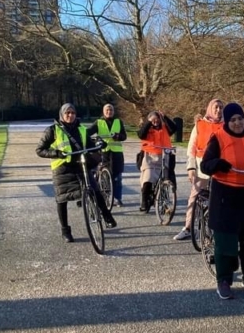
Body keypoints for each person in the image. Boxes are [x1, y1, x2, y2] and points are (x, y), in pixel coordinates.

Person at [200, 102, 244, 300]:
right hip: (226, 194)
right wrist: (218, 164)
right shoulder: (218, 138)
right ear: (227, 121)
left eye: (240, 119)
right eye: (233, 119)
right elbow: (205, 165)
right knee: (226, 240)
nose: (238, 123)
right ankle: (224, 280)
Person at [36, 103, 117, 242]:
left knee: (95, 190)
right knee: (62, 199)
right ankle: (65, 231)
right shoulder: (53, 130)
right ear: (62, 114)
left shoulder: (82, 129)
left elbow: (90, 146)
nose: (70, 115)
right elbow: (40, 150)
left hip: (81, 165)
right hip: (62, 168)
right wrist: (56, 153)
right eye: (67, 113)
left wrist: (100, 145)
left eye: (73, 113)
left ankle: (106, 215)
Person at [174, 98, 224, 241]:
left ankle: (216, 229)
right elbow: (192, 147)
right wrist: (190, 167)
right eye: (216, 107)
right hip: (201, 167)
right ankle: (188, 227)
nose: (218, 110)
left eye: (221, 107)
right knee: (195, 198)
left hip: (219, 168)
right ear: (210, 108)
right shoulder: (200, 125)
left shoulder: (226, 126)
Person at [86, 103, 127, 207]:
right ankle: (105, 197)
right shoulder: (99, 122)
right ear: (103, 112)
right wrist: (94, 140)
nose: (109, 112)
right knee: (104, 177)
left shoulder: (118, 122)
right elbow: (87, 132)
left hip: (116, 153)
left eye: (111, 110)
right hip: (104, 152)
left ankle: (118, 198)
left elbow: (124, 136)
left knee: (117, 177)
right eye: (107, 110)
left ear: (113, 111)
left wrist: (118, 136)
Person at [137, 110, 177, 213]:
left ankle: (163, 203)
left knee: (164, 180)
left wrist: (165, 117)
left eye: (157, 119)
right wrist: (149, 122)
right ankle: (144, 202)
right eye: (153, 119)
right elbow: (141, 135)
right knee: (148, 179)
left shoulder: (165, 128)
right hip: (150, 157)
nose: (156, 121)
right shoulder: (147, 128)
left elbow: (174, 129)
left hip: (164, 156)